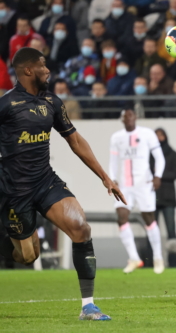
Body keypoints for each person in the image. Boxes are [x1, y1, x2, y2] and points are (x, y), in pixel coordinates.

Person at [0, 47, 125, 320]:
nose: (48, 70)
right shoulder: (6, 104)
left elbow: (76, 141)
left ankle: (88, 307)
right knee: (28, 256)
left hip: (45, 182)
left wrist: (105, 177)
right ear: (28, 70)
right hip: (13, 191)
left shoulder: (52, 102)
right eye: (43, 66)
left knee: (81, 228)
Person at [109, 109, 166, 274]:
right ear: (122, 119)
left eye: (131, 115)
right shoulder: (116, 138)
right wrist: (112, 179)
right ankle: (134, 258)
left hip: (144, 183)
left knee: (148, 219)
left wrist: (157, 176)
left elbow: (159, 157)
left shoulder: (147, 134)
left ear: (136, 117)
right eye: (125, 116)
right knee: (121, 217)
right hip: (125, 185)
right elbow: (113, 161)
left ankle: (157, 257)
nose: (128, 118)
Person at [153, 128, 176, 267]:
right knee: (152, 231)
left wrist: (158, 176)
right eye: (156, 135)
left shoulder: (172, 153)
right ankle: (153, 262)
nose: (158, 138)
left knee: (171, 232)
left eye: (161, 135)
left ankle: (174, 263)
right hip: (153, 198)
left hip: (168, 198)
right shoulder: (150, 155)